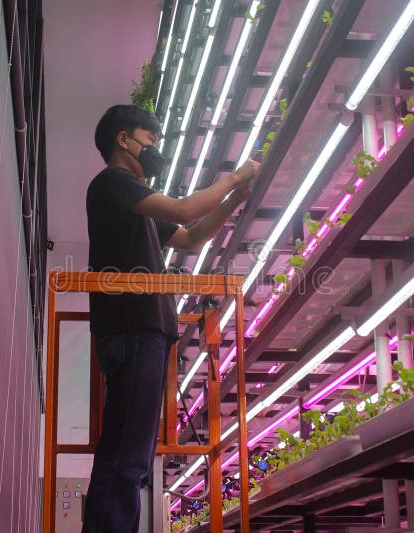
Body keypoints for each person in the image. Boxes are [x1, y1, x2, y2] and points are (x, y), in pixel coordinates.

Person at [81, 104, 259, 532]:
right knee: (127, 459)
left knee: (126, 454)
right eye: (151, 138)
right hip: (133, 327)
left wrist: (234, 200)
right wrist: (234, 177)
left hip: (140, 330)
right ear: (124, 140)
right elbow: (183, 211)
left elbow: (191, 236)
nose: (156, 148)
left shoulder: (134, 206)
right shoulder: (115, 183)